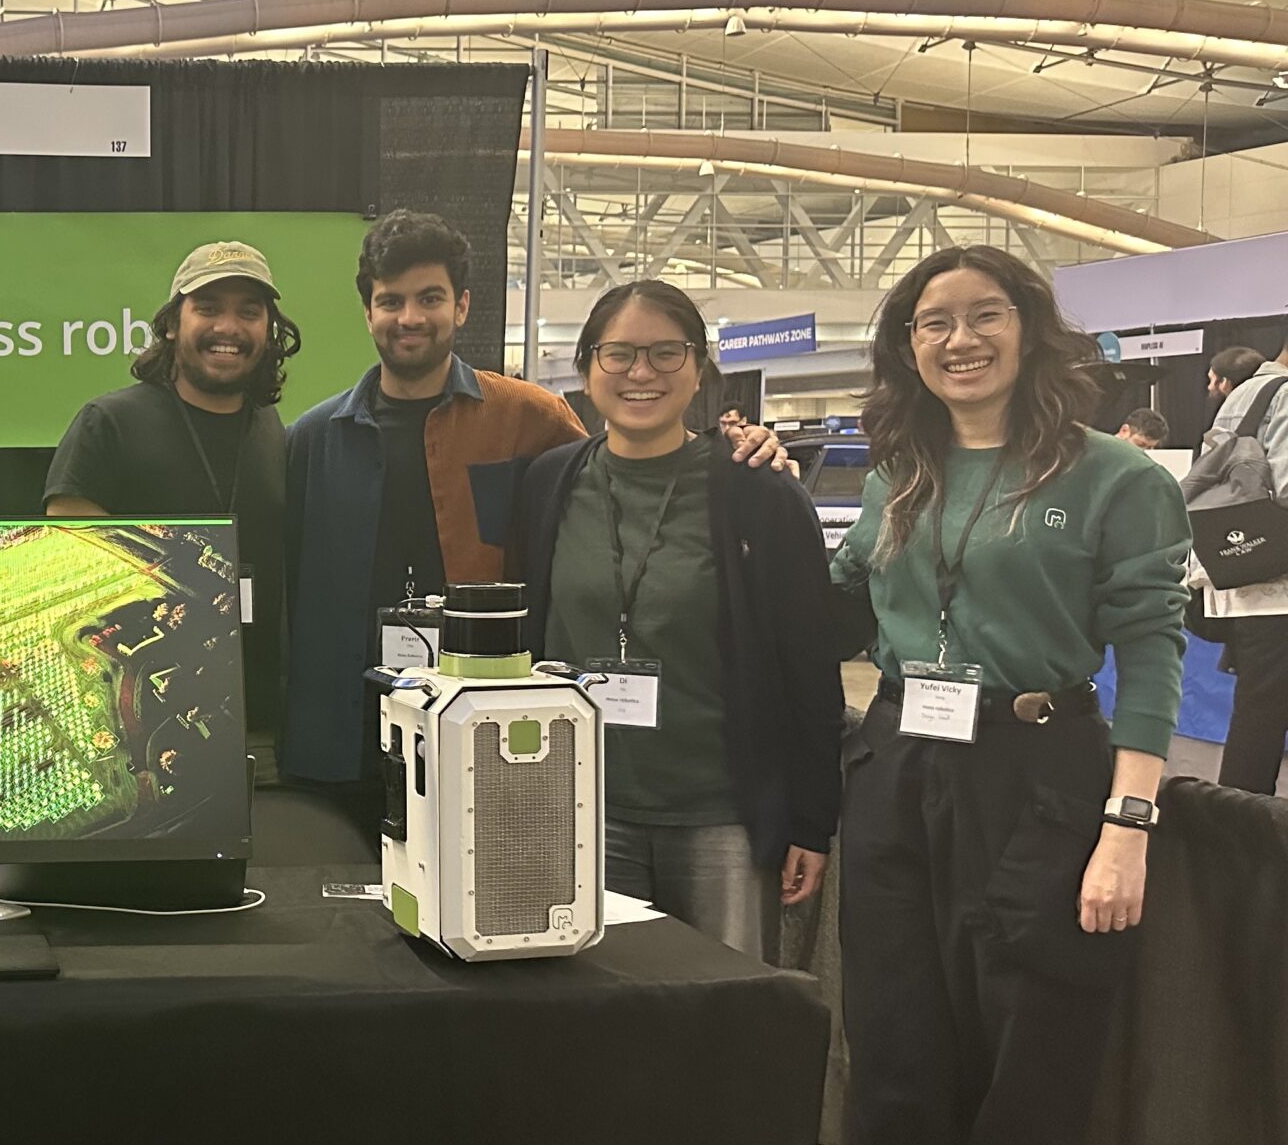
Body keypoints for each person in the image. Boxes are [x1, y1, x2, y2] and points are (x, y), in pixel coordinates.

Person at [832, 245, 1186, 1145]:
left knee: (1027, 1028)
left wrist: (1125, 818)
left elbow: (1149, 650)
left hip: (1041, 769)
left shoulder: (1113, 478)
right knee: (896, 1013)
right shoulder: (898, 474)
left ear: (1030, 331)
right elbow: (840, 601)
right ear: (907, 346)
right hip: (900, 761)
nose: (957, 339)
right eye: (932, 322)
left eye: (982, 316)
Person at [280, 210, 790, 796]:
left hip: (484, 732)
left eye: (430, 298)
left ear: (463, 305)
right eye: (391, 301)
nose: (411, 318)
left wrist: (741, 448)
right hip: (342, 736)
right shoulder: (314, 439)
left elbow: (623, 476)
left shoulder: (529, 419)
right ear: (368, 311)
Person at [510, 281, 844, 963]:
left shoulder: (758, 491)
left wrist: (813, 819)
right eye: (620, 353)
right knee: (594, 1015)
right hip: (581, 809)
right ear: (584, 369)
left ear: (698, 371)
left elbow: (809, 664)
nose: (642, 373)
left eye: (667, 353)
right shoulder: (549, 484)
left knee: (722, 1017)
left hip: (718, 816)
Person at [45, 240, 299, 725]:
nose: (228, 327)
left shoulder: (269, 428)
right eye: (207, 308)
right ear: (170, 323)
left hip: (262, 723)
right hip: (144, 722)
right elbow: (74, 582)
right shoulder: (108, 424)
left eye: (248, 312)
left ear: (269, 332)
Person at [1195, 342, 1288, 793]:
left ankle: (1238, 834)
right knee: (1262, 716)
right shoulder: (1285, 394)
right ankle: (1244, 836)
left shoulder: (1244, 394)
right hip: (1278, 581)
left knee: (1258, 713)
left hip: (1243, 569)